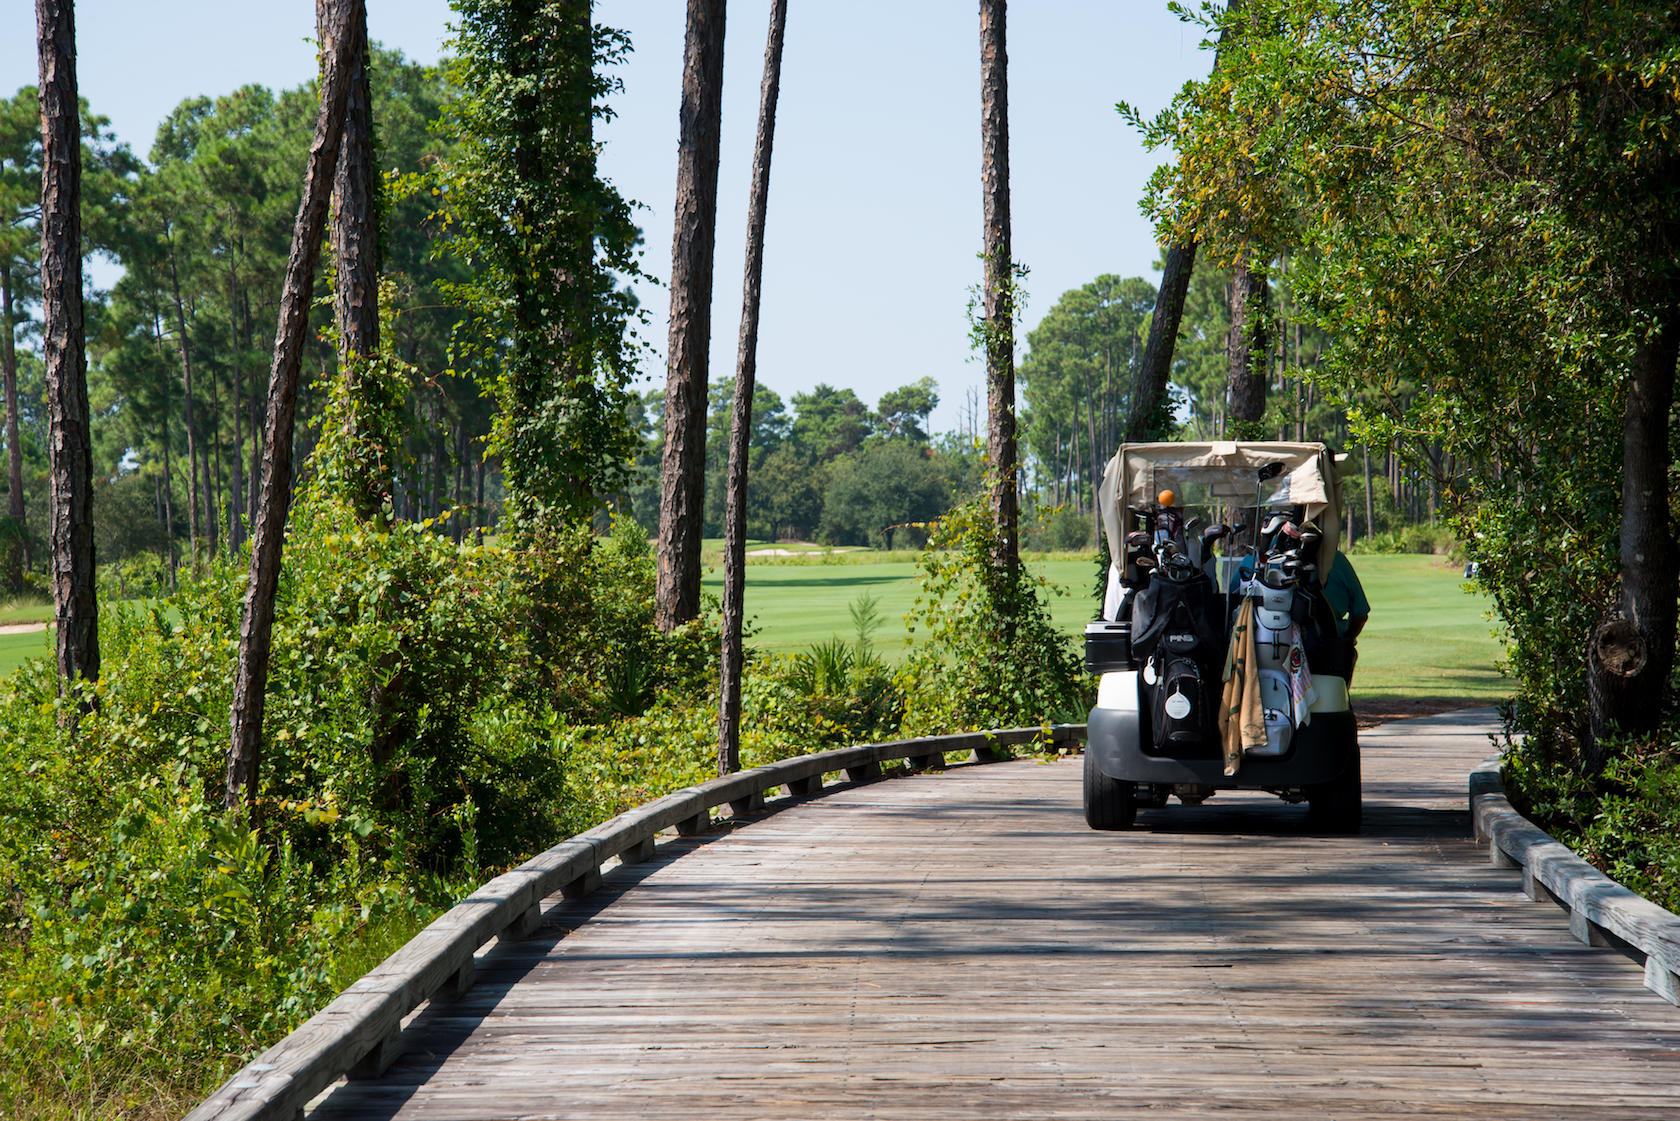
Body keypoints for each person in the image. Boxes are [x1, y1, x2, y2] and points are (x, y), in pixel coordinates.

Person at [1323, 549, 1370, 679]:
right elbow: (1360, 614)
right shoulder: (1336, 559)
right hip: (1329, 650)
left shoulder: (1272, 553)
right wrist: (1347, 641)